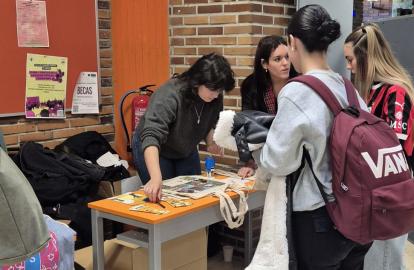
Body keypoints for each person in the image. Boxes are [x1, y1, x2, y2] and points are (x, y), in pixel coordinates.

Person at [251, 4, 372, 269]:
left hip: (321, 220)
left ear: (293, 42)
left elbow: (277, 161)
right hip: (359, 213)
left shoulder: (297, 92)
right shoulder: (347, 86)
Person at [344, 23, 414, 270]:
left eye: (350, 59)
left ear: (366, 58)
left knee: (385, 262)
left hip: (389, 192)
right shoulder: (368, 92)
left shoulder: (395, 93)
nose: (348, 66)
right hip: (372, 191)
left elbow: (391, 148)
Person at [132, 53, 235, 202]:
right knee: (165, 196)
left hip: (185, 146)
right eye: (213, 90)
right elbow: (151, 136)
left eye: (220, 91)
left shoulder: (214, 95)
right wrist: (155, 178)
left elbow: (209, 123)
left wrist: (211, 141)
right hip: (155, 147)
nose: (216, 95)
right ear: (197, 81)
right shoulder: (170, 94)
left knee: (194, 198)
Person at [237, 35, 297, 178]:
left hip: (295, 154)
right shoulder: (251, 86)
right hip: (264, 154)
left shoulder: (299, 82)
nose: (285, 63)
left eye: (287, 57)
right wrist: (249, 162)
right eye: (278, 59)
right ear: (264, 64)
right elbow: (245, 125)